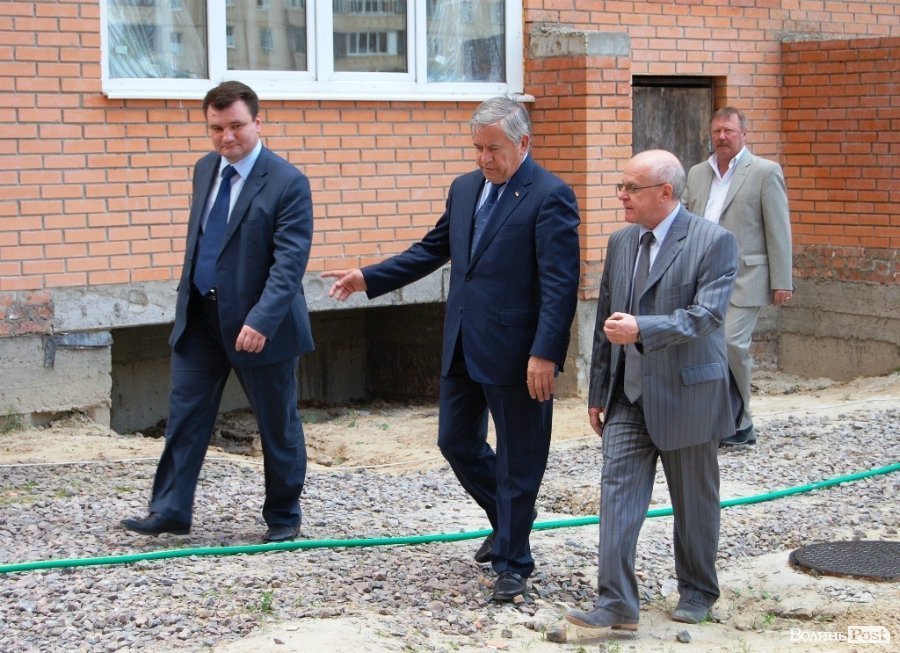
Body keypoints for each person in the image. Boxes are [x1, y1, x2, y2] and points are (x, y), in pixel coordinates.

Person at [323, 97, 580, 601]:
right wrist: (368, 278)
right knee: (455, 441)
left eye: (493, 149)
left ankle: (513, 564)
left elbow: (560, 284)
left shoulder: (550, 195)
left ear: (523, 143)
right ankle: (509, 520)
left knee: (519, 457)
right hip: (463, 342)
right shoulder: (465, 189)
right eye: (477, 148)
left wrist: (546, 353)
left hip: (519, 352)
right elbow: (431, 249)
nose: (484, 159)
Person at [121, 81, 315, 543]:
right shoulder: (205, 169)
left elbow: (289, 263)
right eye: (216, 128)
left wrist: (261, 319)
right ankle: (170, 510)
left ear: (258, 122)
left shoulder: (287, 182)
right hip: (202, 319)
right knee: (185, 414)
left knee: (277, 423)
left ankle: (283, 516)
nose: (226, 137)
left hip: (259, 326)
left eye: (236, 126)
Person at [566, 150, 737, 631]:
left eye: (630, 188)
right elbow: (606, 320)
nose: (621, 196)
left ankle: (698, 591)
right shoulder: (621, 242)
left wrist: (643, 328)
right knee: (616, 494)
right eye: (620, 186)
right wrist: (598, 391)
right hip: (628, 396)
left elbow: (706, 316)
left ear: (665, 192)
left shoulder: (713, 241)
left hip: (688, 395)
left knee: (694, 503)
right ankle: (616, 603)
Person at [683, 107, 793, 446]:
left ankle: (742, 422)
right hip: (703, 276)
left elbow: (778, 228)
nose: (722, 136)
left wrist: (782, 280)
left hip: (746, 276)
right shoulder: (698, 173)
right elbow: (684, 219)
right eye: (717, 130)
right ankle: (718, 420)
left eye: (729, 131)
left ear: (744, 134)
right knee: (705, 349)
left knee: (731, 343)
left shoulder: (764, 172)